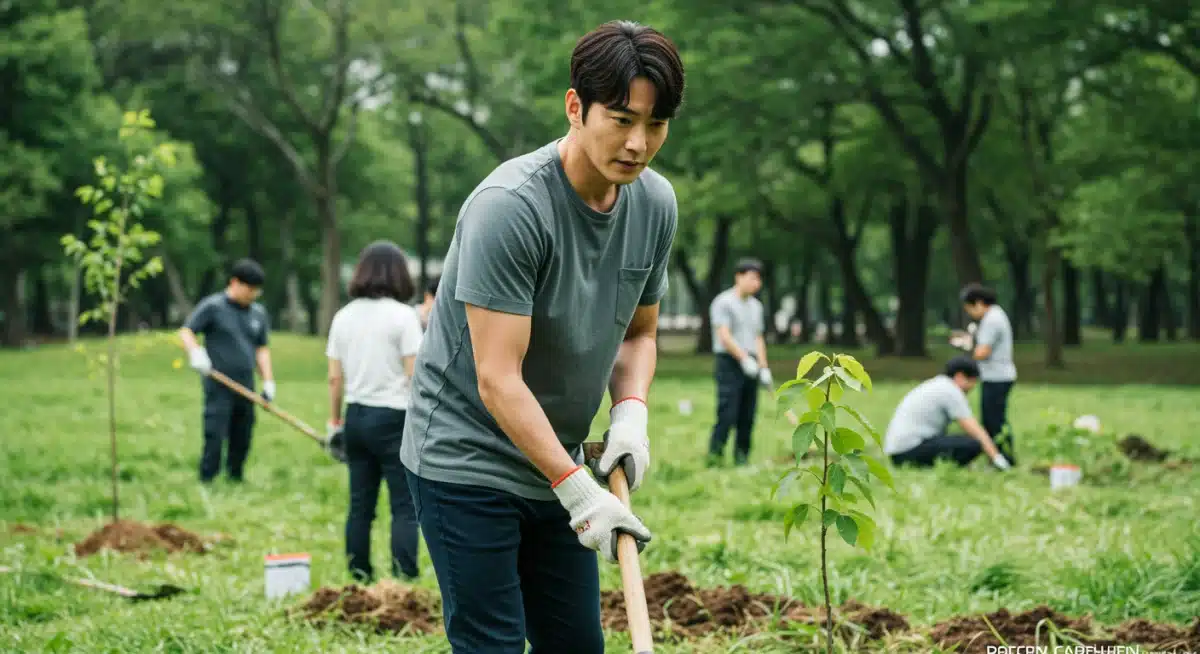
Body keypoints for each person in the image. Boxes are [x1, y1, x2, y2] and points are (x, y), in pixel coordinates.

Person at [399, 20, 685, 653]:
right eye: (621, 119)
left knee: (577, 645)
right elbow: (497, 378)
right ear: (575, 107)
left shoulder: (655, 204)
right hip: (465, 458)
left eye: (656, 125)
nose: (638, 144)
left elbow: (639, 336)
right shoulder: (511, 208)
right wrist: (580, 492)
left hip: (554, 457)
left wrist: (631, 414)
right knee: (493, 644)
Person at [325, 241, 425, 582]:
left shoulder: (343, 317)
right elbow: (414, 376)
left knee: (360, 507)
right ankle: (404, 577)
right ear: (398, 274)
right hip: (395, 419)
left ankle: (359, 575)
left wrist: (334, 422)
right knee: (404, 506)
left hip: (356, 417)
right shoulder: (404, 317)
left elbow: (334, 377)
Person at [178, 258, 274, 484]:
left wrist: (268, 381)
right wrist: (196, 353)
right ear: (234, 282)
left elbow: (262, 349)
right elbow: (186, 331)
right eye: (249, 289)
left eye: (256, 291)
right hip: (219, 383)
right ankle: (208, 478)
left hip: (246, 384)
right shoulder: (213, 307)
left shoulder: (258, 313)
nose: (252, 294)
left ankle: (235, 476)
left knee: (243, 432)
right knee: (215, 432)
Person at [883, 356, 1012, 469]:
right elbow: (974, 429)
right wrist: (997, 459)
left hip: (899, 451)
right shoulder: (950, 391)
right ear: (960, 376)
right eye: (972, 382)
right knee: (973, 444)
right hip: (907, 451)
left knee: (960, 441)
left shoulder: (939, 385)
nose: (972, 388)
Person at [707, 257, 773, 467]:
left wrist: (763, 366)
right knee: (728, 412)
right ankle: (715, 455)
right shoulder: (723, 302)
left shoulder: (756, 306)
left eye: (759, 279)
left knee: (748, 414)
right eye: (752, 278)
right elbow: (724, 336)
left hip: (752, 363)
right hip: (729, 363)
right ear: (739, 276)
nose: (757, 283)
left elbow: (758, 337)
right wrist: (744, 359)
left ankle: (742, 458)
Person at [952, 283, 1018, 464]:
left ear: (979, 303)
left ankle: (1005, 458)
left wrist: (965, 349)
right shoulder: (996, 316)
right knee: (994, 419)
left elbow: (983, 352)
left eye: (969, 308)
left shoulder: (992, 320)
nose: (970, 313)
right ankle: (999, 457)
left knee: (994, 421)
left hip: (997, 377)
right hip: (999, 376)